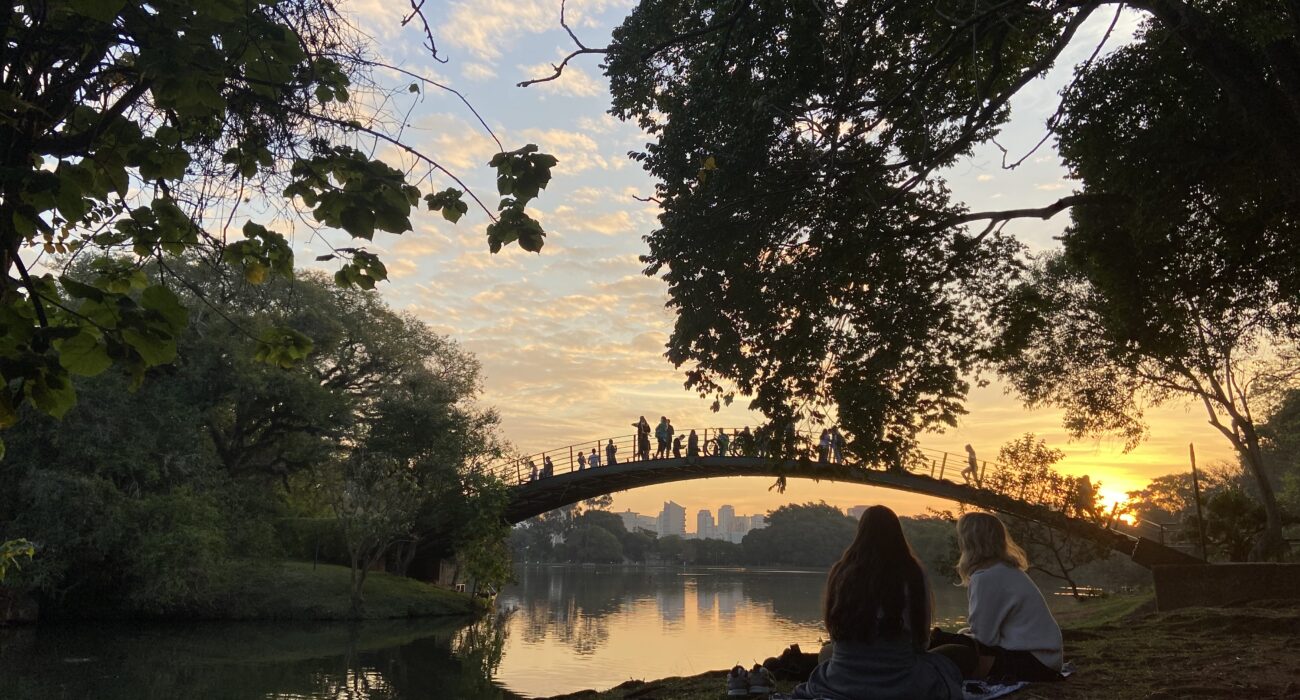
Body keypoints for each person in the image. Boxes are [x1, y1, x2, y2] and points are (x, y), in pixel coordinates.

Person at [791, 505, 962, 700]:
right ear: (898, 533)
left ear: (860, 532)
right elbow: (921, 640)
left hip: (843, 677)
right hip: (900, 679)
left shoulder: (841, 572)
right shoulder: (911, 572)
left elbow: (833, 632)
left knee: (826, 653)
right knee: (949, 663)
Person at [929, 512, 1063, 682]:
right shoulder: (1006, 569)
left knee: (941, 645)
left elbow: (985, 639)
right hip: (1046, 659)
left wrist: (965, 635)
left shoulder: (987, 577)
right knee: (945, 641)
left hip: (1033, 663)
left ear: (969, 541)